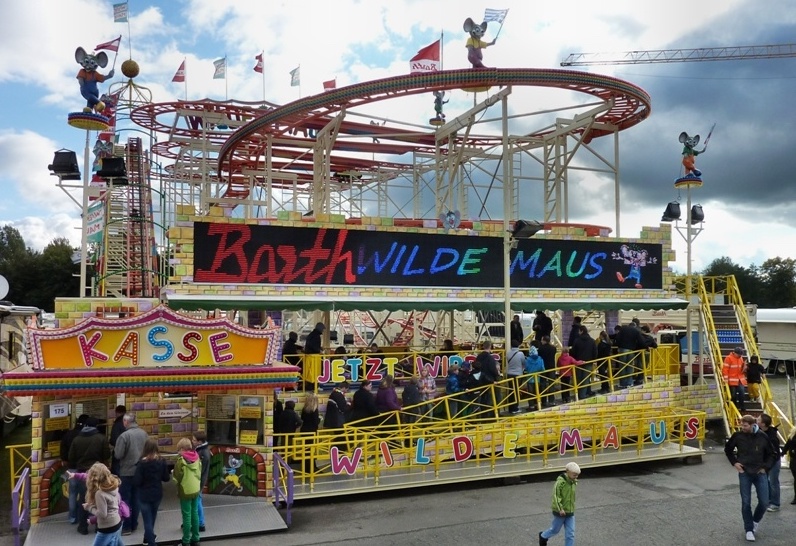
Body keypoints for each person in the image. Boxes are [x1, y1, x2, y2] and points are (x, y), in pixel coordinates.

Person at [724, 414, 776, 542]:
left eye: (745, 425)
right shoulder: (738, 436)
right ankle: (749, 529)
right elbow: (728, 449)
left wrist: (766, 468)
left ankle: (755, 521)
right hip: (744, 473)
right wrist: (735, 463)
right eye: (741, 425)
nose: (743, 427)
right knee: (746, 502)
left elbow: (772, 454)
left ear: (753, 425)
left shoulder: (763, 437)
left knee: (764, 502)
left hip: (760, 473)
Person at [69, 416, 111, 536]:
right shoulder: (101, 438)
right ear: (96, 426)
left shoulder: (76, 439)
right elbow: (106, 455)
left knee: (84, 499)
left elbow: (71, 457)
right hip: (98, 472)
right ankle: (99, 526)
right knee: (100, 500)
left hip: (83, 473)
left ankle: (83, 527)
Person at [71, 462, 124, 546]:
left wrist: (89, 507)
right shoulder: (112, 486)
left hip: (107, 527)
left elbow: (102, 514)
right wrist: (75, 475)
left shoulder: (100, 493)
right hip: (117, 522)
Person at [114, 413, 149, 536]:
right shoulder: (144, 434)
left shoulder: (124, 436)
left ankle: (127, 526)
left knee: (125, 499)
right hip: (141, 471)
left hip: (127, 471)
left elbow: (118, 454)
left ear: (125, 422)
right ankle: (134, 524)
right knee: (136, 498)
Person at [133, 438, 171, 546]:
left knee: (147, 521)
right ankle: (148, 537)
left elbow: (137, 481)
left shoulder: (142, 463)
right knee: (152, 517)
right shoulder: (162, 461)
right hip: (157, 493)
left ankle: (151, 542)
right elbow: (166, 478)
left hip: (144, 495)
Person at [538, 462, 580, 546]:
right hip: (560, 512)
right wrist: (560, 508)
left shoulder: (573, 482)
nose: (576, 477)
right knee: (555, 530)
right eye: (574, 474)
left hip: (570, 511)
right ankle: (543, 536)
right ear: (567, 472)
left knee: (570, 533)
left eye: (577, 475)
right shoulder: (560, 483)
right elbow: (556, 496)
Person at [61, 413, 89, 525]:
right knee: (85, 493)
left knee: (72, 492)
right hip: (83, 468)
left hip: (71, 468)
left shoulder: (68, 434)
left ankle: (72, 518)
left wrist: (64, 459)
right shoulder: (86, 436)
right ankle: (85, 516)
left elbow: (63, 448)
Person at [174, 437, 202, 546]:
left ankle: (186, 541)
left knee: (186, 516)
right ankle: (196, 538)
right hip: (196, 489)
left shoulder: (181, 461)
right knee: (195, 513)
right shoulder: (197, 457)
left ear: (182, 449)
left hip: (185, 490)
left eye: (179, 450)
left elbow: (177, 477)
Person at [758, 413, 782, 512]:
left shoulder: (771, 437)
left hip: (773, 461)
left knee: (773, 482)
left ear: (763, 424)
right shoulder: (759, 432)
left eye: (758, 420)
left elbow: (774, 452)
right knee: (765, 482)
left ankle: (775, 503)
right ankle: (768, 501)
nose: (756, 420)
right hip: (764, 461)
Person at [570, 325, 597, 399]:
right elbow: (595, 352)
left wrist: (575, 360)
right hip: (588, 362)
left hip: (578, 362)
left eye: (579, 331)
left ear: (581, 331)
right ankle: (583, 394)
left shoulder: (576, 340)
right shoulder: (592, 340)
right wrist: (593, 360)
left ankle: (579, 394)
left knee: (579, 379)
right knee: (586, 379)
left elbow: (573, 352)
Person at [614, 321, 644, 388]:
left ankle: (622, 383)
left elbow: (617, 338)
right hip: (631, 350)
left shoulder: (623, 329)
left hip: (623, 349)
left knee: (622, 366)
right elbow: (641, 341)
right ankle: (629, 382)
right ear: (634, 326)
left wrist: (619, 346)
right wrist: (645, 347)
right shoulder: (636, 331)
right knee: (630, 366)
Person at [191, 431, 210, 533]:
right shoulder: (200, 450)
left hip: (198, 481)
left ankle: (201, 523)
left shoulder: (203, 453)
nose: (192, 441)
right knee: (196, 501)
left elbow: (200, 470)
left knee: (197, 501)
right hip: (198, 480)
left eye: (194, 440)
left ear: (199, 441)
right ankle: (194, 521)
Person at [299, 393, 320, 474]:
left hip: (304, 430)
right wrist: (319, 420)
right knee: (311, 450)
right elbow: (315, 422)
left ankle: (306, 468)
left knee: (305, 450)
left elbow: (302, 419)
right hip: (311, 432)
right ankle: (312, 468)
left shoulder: (304, 409)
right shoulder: (314, 410)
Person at [723, 347, 748, 413]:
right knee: (733, 395)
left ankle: (742, 407)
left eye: (740, 355)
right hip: (731, 380)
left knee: (742, 393)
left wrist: (744, 368)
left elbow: (740, 368)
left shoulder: (740, 358)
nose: (740, 356)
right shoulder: (728, 358)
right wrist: (726, 379)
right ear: (734, 353)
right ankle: (734, 407)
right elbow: (725, 369)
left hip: (739, 379)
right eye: (739, 354)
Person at [504, 338, 525, 414]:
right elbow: (523, 363)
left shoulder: (508, 353)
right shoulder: (521, 354)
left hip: (509, 374)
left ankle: (510, 408)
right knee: (516, 391)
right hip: (518, 374)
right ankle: (515, 408)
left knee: (511, 391)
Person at [523, 346, 546, 411]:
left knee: (530, 393)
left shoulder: (527, 360)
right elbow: (543, 369)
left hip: (529, 379)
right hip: (537, 378)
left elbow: (526, 368)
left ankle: (531, 406)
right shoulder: (540, 359)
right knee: (537, 392)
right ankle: (537, 404)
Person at [538, 336, 558, 407]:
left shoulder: (540, 348)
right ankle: (551, 400)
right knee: (551, 384)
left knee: (543, 384)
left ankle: (543, 401)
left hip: (543, 368)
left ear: (543, 340)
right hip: (551, 367)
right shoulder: (553, 348)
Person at [303, 322, 325, 387]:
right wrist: (319, 350)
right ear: (320, 329)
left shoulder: (311, 335)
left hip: (309, 357)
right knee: (315, 373)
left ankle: (311, 385)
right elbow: (314, 346)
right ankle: (315, 386)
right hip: (314, 358)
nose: (323, 331)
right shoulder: (316, 336)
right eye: (323, 329)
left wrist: (319, 348)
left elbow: (311, 345)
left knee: (309, 374)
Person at [109, 405, 126, 476]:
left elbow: (114, 440)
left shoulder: (117, 424)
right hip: (129, 454)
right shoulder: (129, 423)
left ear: (117, 412)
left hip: (118, 453)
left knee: (117, 475)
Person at [782, 426, 796, 505]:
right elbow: (786, 447)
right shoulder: (792, 438)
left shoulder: (791, 437)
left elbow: (786, 447)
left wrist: (783, 452)